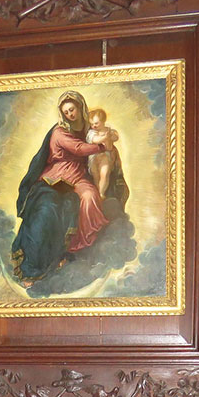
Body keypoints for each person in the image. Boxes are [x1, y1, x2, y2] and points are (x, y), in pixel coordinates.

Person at [11, 91, 125, 287]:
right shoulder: (59, 132)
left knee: (90, 196)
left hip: (78, 177)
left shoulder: (89, 129)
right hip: (54, 180)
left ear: (80, 108)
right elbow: (80, 149)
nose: (70, 115)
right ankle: (35, 266)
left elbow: (110, 135)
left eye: (72, 110)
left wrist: (110, 139)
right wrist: (101, 147)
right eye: (66, 112)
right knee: (48, 211)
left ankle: (79, 246)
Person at [85, 108, 120, 199]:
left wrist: (111, 136)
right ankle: (97, 191)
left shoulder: (109, 131)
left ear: (103, 121)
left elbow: (116, 138)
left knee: (104, 174)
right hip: (94, 158)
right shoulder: (91, 132)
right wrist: (105, 138)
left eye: (96, 123)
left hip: (105, 157)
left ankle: (101, 192)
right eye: (92, 124)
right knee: (96, 176)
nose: (94, 126)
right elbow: (95, 140)